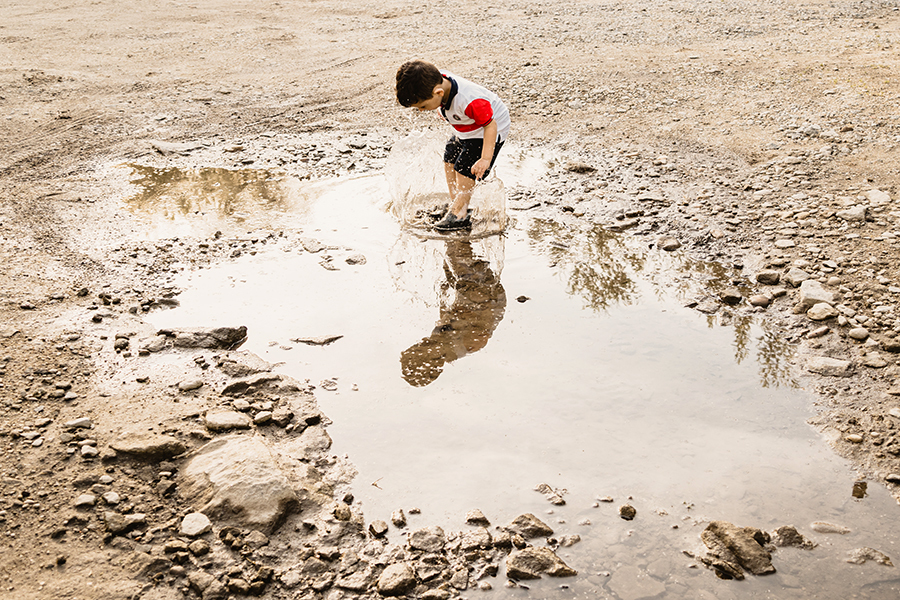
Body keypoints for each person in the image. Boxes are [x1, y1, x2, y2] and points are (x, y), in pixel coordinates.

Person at [395, 60, 510, 231]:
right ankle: (456, 204)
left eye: (423, 106)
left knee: (464, 165)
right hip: (469, 126)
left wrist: (485, 159)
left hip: (489, 129)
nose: (421, 111)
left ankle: (459, 215)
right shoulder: (436, 83)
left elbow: (490, 126)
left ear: (439, 92)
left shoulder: (470, 100)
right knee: (450, 155)